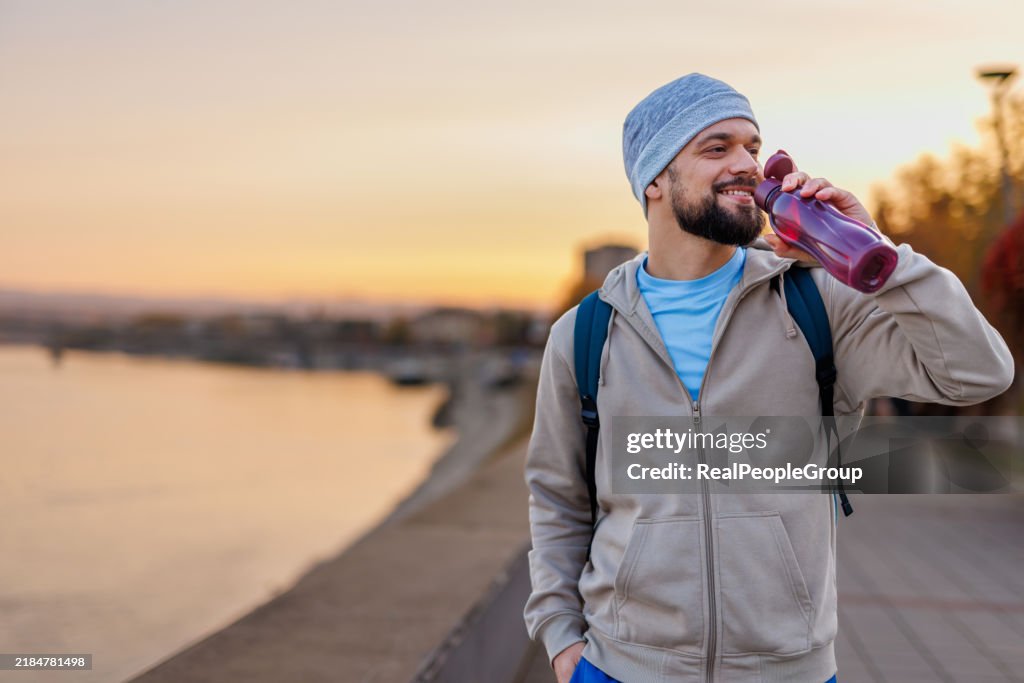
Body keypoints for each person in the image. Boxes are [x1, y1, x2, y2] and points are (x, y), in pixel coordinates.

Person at [522, 73, 1014, 683]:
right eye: (717, 148)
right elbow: (558, 497)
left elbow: (978, 374)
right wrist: (561, 638)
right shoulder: (585, 332)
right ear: (654, 180)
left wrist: (877, 255)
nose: (747, 165)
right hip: (621, 667)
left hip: (789, 670)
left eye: (752, 147)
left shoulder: (817, 305)